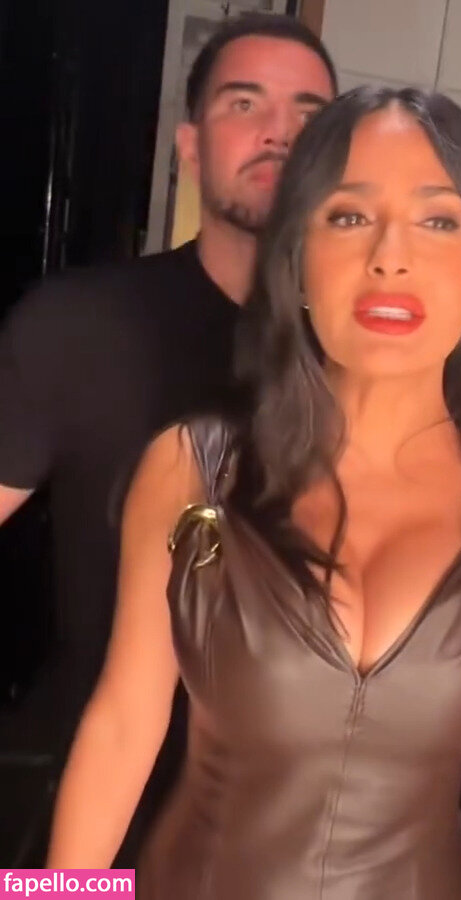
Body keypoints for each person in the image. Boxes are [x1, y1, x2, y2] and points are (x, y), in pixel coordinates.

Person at [47, 87, 461, 897]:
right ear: (297, 260)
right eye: (349, 216)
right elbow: (122, 727)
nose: (390, 256)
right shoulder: (198, 468)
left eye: (437, 220)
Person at [0, 11, 336, 863]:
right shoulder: (75, 326)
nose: (279, 133)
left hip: (295, 845)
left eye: (308, 114)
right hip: (93, 819)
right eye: (245, 104)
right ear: (189, 146)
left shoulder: (373, 369)